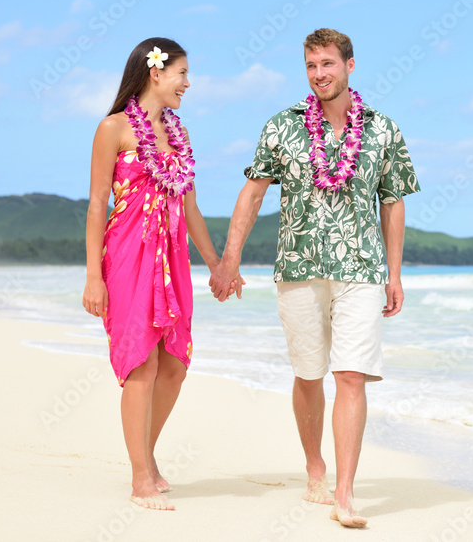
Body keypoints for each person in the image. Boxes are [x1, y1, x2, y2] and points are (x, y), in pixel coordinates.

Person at [209, 28, 420, 528]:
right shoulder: (283, 126)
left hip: (362, 268)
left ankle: (344, 493)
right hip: (299, 265)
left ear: (350, 64)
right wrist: (229, 259)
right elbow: (253, 193)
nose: (319, 74)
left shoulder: (383, 130)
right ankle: (315, 466)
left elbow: (392, 202)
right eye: (310, 66)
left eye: (327, 63)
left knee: (350, 375)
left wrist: (394, 273)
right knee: (309, 374)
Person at [82, 37, 241, 511]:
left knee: (175, 364)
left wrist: (217, 264)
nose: (187, 84)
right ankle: (139, 478)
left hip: (171, 261)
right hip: (128, 254)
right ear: (156, 72)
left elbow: (190, 208)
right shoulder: (113, 128)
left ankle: (145, 457)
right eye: (182, 74)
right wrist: (93, 276)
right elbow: (95, 208)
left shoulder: (181, 135)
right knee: (143, 364)